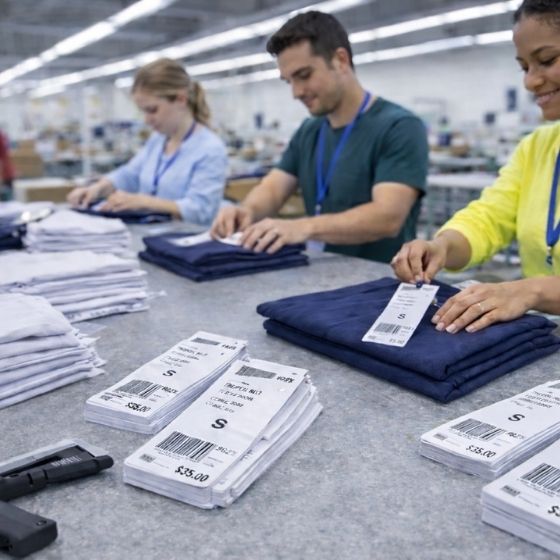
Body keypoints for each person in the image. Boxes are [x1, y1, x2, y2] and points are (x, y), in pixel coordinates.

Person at [391, 0, 560, 334]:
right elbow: (489, 217)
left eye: (547, 60)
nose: (530, 82)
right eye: (524, 67)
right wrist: (442, 247)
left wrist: (530, 290)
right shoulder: (538, 147)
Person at [211, 11, 428, 262]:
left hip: (380, 285)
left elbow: (387, 217)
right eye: (288, 81)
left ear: (340, 60)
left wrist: (300, 227)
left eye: (304, 76)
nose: (296, 92)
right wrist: (245, 210)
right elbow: (273, 188)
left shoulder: (399, 126)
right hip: (320, 275)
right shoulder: (310, 130)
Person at [67, 58, 227, 225]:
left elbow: (201, 211)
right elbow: (130, 174)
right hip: (149, 235)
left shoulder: (210, 149)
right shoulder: (158, 140)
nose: (147, 120)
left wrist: (143, 202)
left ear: (181, 99)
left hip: (187, 242)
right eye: (143, 111)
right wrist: (97, 188)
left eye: (152, 110)